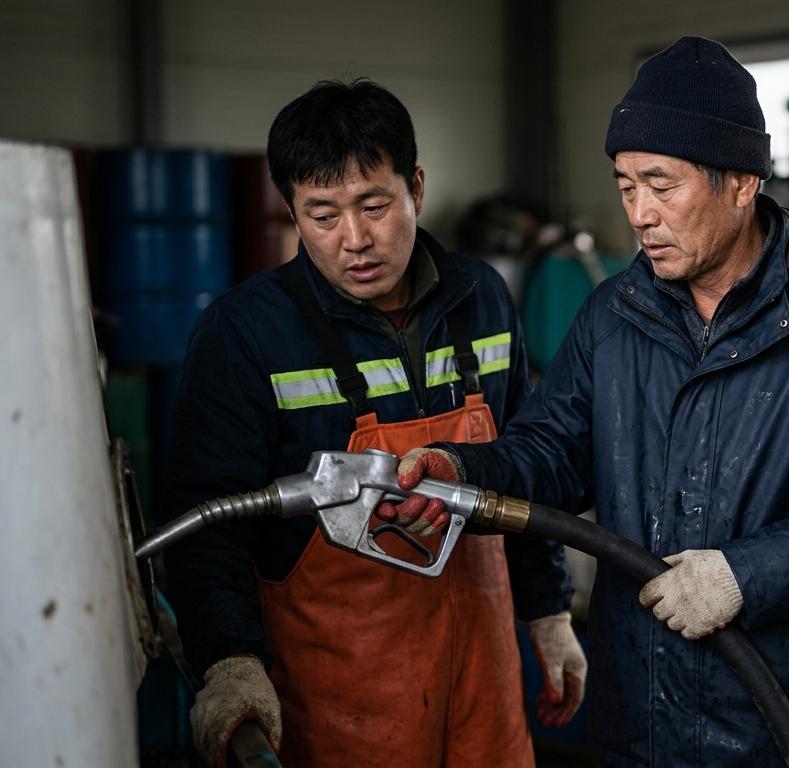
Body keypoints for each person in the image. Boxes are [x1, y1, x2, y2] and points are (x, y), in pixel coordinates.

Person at [388, 36, 789, 767]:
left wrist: (743, 577)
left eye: (661, 185)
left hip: (786, 732)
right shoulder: (614, 316)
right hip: (639, 724)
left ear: (741, 184)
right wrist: (466, 470)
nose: (639, 213)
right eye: (625, 186)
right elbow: (555, 450)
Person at [160, 79, 586, 768]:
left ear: (415, 187)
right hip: (339, 708)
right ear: (292, 213)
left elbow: (522, 469)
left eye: (374, 205)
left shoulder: (483, 299)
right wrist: (229, 658)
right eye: (322, 215)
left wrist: (550, 613)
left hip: (484, 690)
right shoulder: (245, 334)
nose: (354, 240)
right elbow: (207, 522)